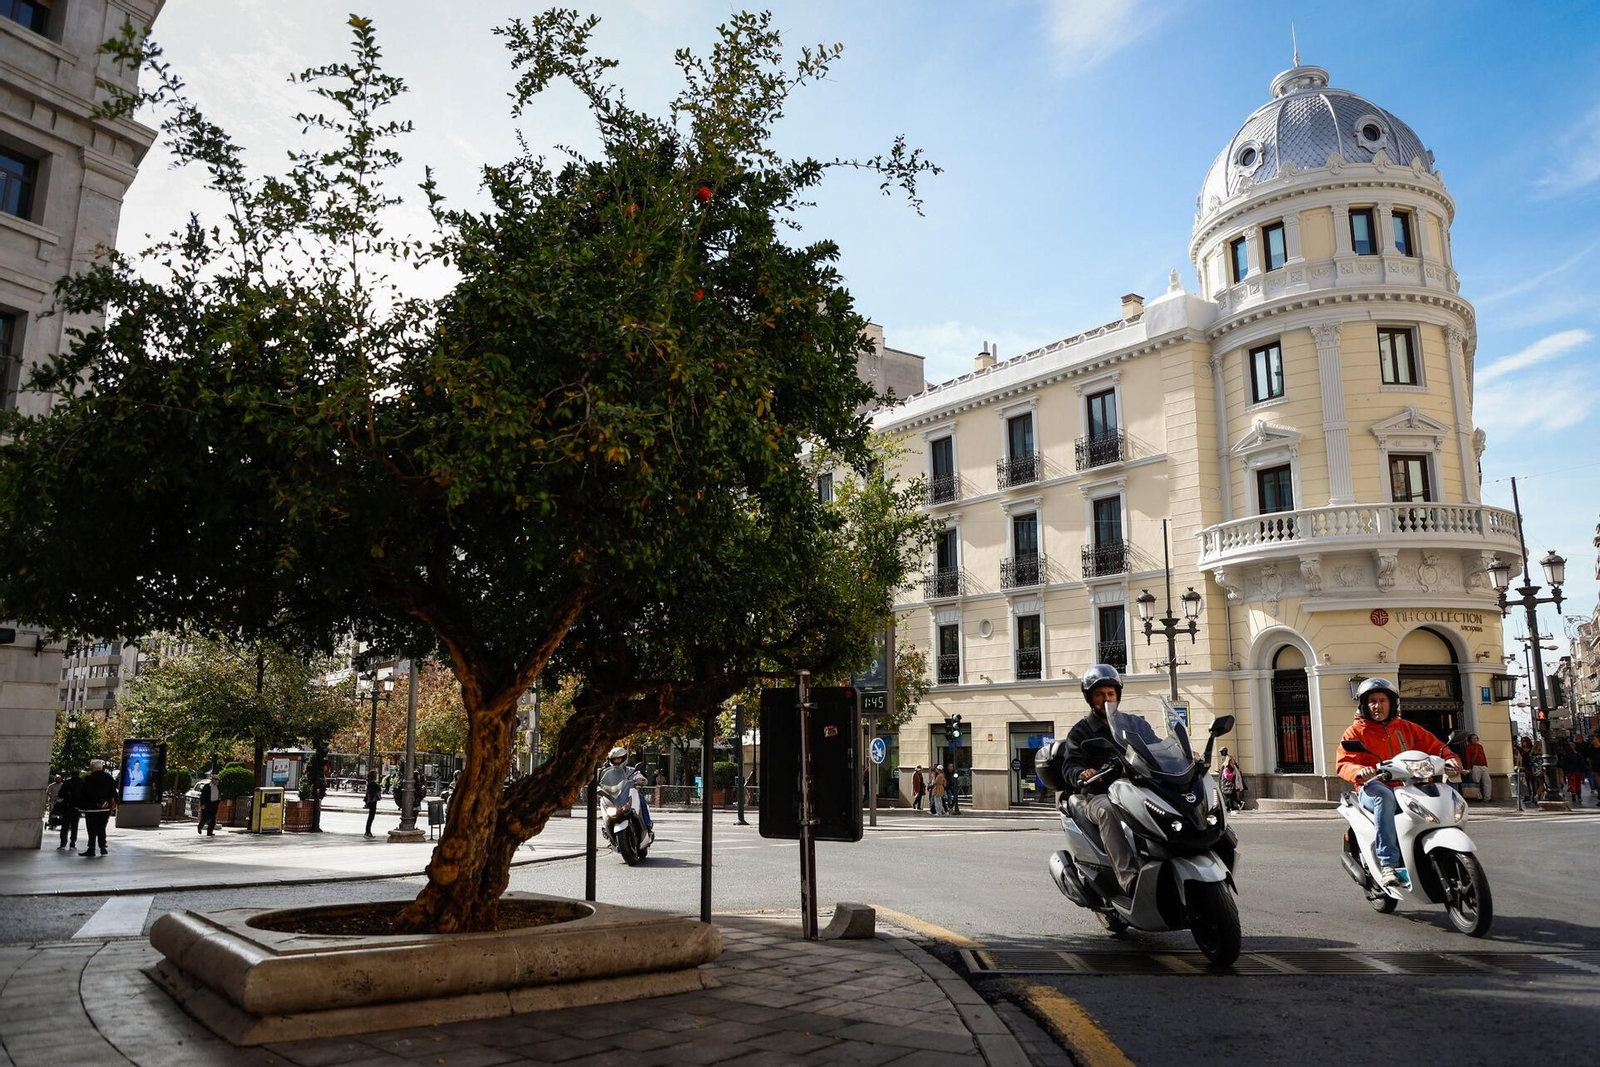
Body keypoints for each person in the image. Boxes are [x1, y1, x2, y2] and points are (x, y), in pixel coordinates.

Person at [1335, 677, 1459, 889]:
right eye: (1372, 701)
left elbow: (1436, 746)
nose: (1377, 705)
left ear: (1392, 703)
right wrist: (1359, 771)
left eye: (1382, 700)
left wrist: (1450, 758)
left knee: (1438, 795)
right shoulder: (1355, 732)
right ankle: (1388, 864)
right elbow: (1344, 762)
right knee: (1385, 796)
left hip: (1409, 785)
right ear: (1364, 705)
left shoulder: (1408, 728)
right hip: (1373, 786)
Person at [1061, 664, 1155, 895]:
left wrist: (1183, 755)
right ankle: (1129, 879)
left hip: (1138, 790)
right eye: (1100, 694)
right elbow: (1070, 764)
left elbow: (1157, 746)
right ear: (1090, 698)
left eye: (1111, 694)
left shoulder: (1135, 725)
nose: (1106, 699)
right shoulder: (1081, 731)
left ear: (1118, 696)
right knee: (1108, 811)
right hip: (1101, 795)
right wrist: (1082, 774)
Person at [598, 746, 652, 830]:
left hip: (629, 796)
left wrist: (640, 779)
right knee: (603, 801)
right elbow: (602, 782)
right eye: (614, 759)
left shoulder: (631, 770)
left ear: (623, 758)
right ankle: (605, 825)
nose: (616, 761)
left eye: (618, 759)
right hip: (614, 797)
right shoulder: (608, 772)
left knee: (641, 799)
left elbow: (639, 776)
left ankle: (648, 824)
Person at [78, 758, 117, 857]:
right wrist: (108, 802)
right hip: (105, 808)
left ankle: (91, 848)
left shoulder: (89, 778)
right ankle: (102, 847)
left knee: (91, 829)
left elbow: (86, 793)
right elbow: (113, 791)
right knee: (101, 827)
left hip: (92, 808)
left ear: (93, 767)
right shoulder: (109, 777)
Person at [56, 768, 81, 851]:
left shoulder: (67, 783)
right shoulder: (82, 783)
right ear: (79, 774)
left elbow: (60, 794)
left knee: (65, 826)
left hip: (67, 807)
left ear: (71, 774)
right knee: (74, 826)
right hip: (77, 807)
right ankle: (72, 844)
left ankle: (63, 844)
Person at [1462, 733, 1491, 801]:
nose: (1474, 739)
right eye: (1473, 738)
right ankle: (1478, 797)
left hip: (1483, 766)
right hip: (1475, 766)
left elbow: (1483, 755)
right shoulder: (1469, 746)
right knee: (1476, 782)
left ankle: (1487, 797)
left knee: (1487, 782)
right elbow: (1468, 758)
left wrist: (1486, 765)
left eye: (1475, 738)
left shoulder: (1480, 746)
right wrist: (1469, 767)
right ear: (1470, 739)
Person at [197, 771, 221, 836]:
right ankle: (200, 827)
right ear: (212, 779)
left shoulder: (218, 787)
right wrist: (202, 804)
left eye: (217, 780)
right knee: (205, 817)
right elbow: (203, 796)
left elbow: (219, 795)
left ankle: (209, 832)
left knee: (213, 819)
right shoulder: (207, 786)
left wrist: (218, 801)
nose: (216, 781)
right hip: (207, 804)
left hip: (214, 804)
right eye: (215, 779)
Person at [363, 772, 381, 838]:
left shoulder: (370, 783)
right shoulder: (372, 783)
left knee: (371, 817)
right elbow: (379, 788)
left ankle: (368, 832)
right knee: (371, 817)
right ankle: (367, 832)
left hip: (371, 801)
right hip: (372, 801)